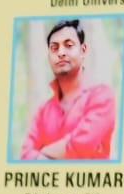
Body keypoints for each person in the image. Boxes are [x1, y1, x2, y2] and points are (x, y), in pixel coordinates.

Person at [20, 20, 116, 160]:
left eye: (69, 45)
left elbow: (82, 145)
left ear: (83, 50)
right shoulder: (43, 111)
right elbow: (25, 156)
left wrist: (41, 154)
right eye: (54, 48)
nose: (61, 53)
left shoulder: (101, 96)